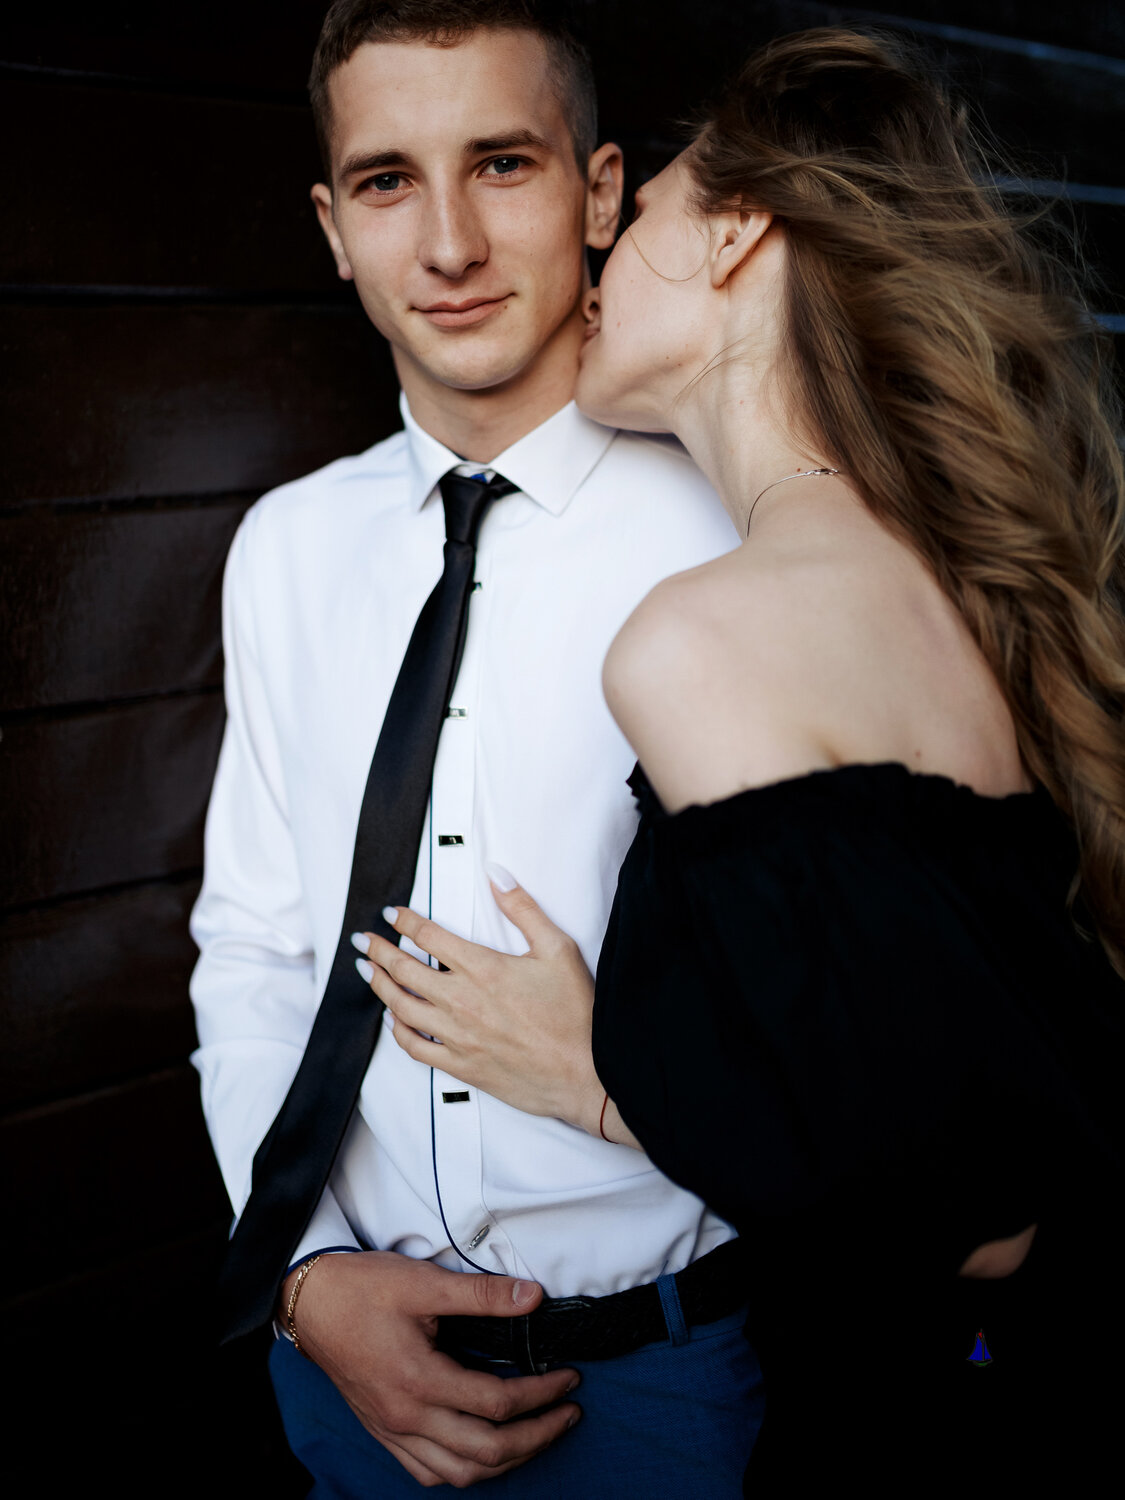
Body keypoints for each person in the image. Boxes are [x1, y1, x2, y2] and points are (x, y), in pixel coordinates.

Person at [355, 27, 1125, 1487]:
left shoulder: (700, 641)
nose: (598, 257)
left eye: (641, 208)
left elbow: (965, 1212)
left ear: (734, 235)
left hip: (897, 1416)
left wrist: (596, 1078)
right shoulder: (943, 589)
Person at [190, 1, 767, 1494]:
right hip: (340, 1379)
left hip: (663, 1385)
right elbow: (253, 947)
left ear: (598, 192)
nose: (447, 244)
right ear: (334, 229)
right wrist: (305, 1277)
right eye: (388, 181)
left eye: (501, 164)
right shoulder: (285, 550)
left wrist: (615, 1068)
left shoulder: (741, 540)